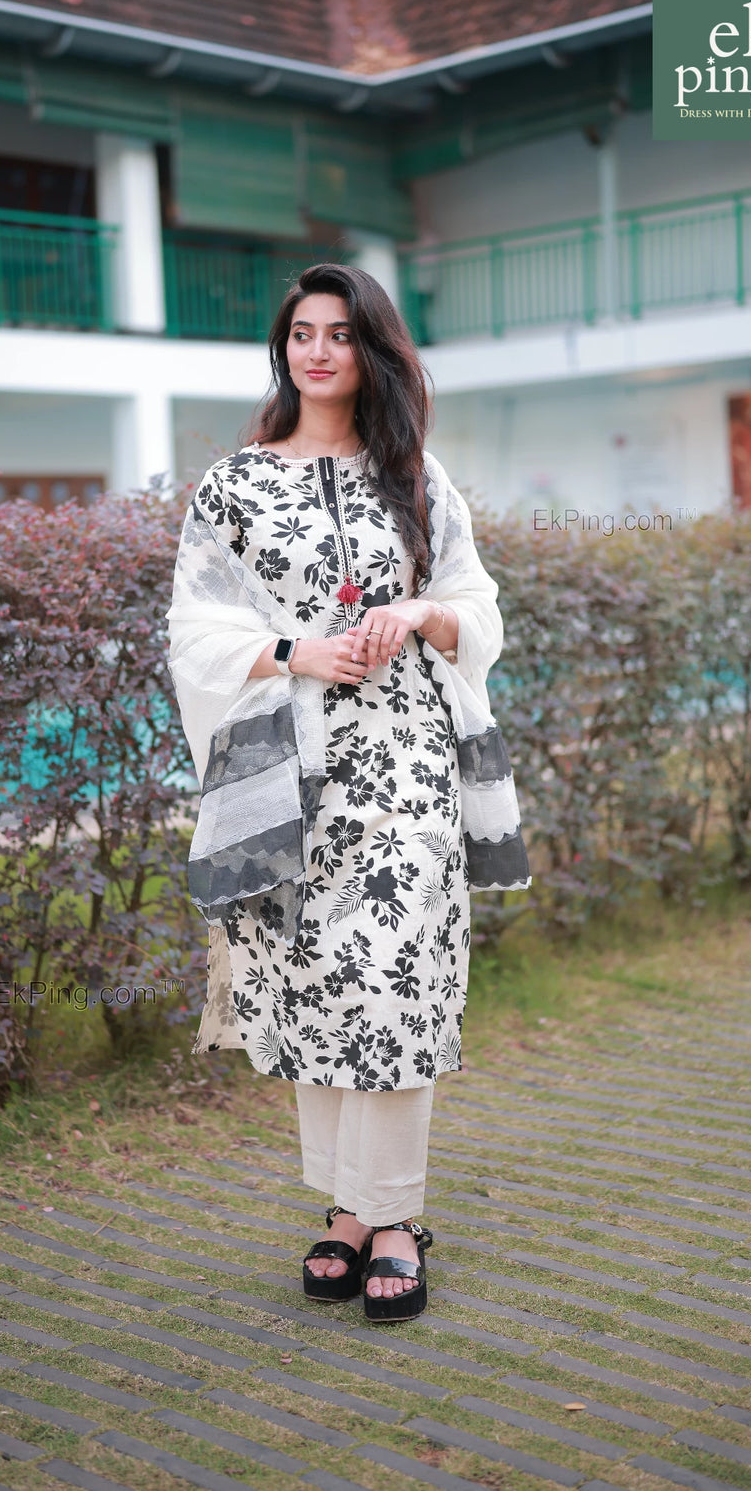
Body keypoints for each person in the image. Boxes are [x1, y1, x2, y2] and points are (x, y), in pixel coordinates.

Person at [166, 263, 530, 1322]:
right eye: (300, 333)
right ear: (283, 350)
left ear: (371, 349)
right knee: (313, 982)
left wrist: (417, 615)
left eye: (338, 333)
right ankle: (344, 1209)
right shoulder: (232, 484)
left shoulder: (417, 475)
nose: (316, 350)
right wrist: (295, 650)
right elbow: (194, 627)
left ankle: (398, 1216)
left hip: (405, 758)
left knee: (391, 973)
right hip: (287, 766)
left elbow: (478, 606)